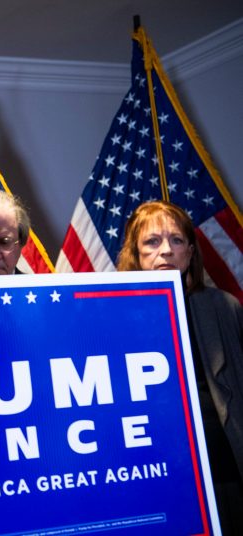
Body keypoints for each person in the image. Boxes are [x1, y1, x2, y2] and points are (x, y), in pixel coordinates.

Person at [117, 200, 243, 533]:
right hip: (161, 476)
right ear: (135, 254)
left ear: (189, 251)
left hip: (227, 469)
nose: (166, 251)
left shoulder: (224, 308)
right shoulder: (115, 318)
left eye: (176, 240)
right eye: (152, 242)